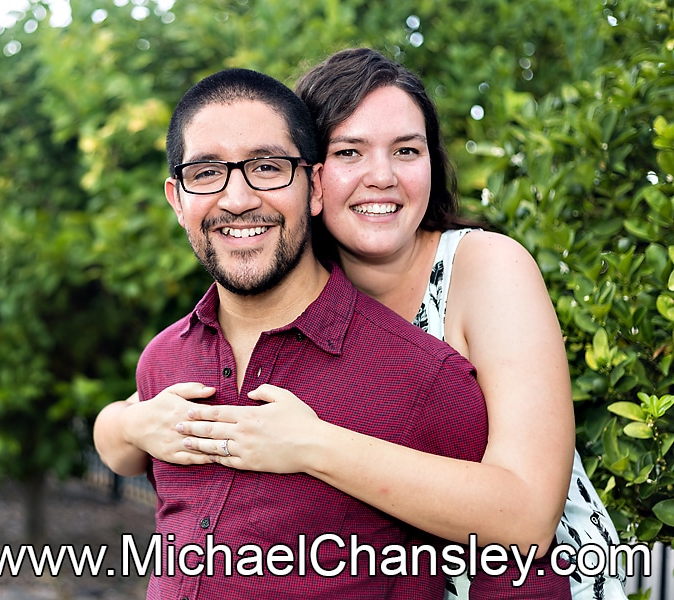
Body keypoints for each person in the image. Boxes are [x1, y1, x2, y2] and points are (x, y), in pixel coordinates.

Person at [94, 50, 625, 599]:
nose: (381, 176)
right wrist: (129, 426)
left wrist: (311, 445)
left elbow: (528, 520)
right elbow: (128, 426)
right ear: (316, 181)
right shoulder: (274, 297)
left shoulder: (483, 271)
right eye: (351, 150)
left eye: (406, 150)